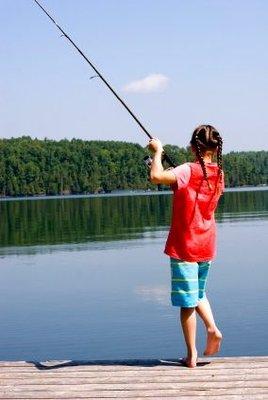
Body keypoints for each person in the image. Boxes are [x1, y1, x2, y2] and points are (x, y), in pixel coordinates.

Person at [148, 124, 224, 368]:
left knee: (187, 302)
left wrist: (157, 152)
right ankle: (212, 328)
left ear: (193, 147)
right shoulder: (218, 173)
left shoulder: (187, 170)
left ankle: (191, 355)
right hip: (207, 243)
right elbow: (192, 194)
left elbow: (156, 176)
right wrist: (176, 179)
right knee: (198, 293)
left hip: (185, 246)